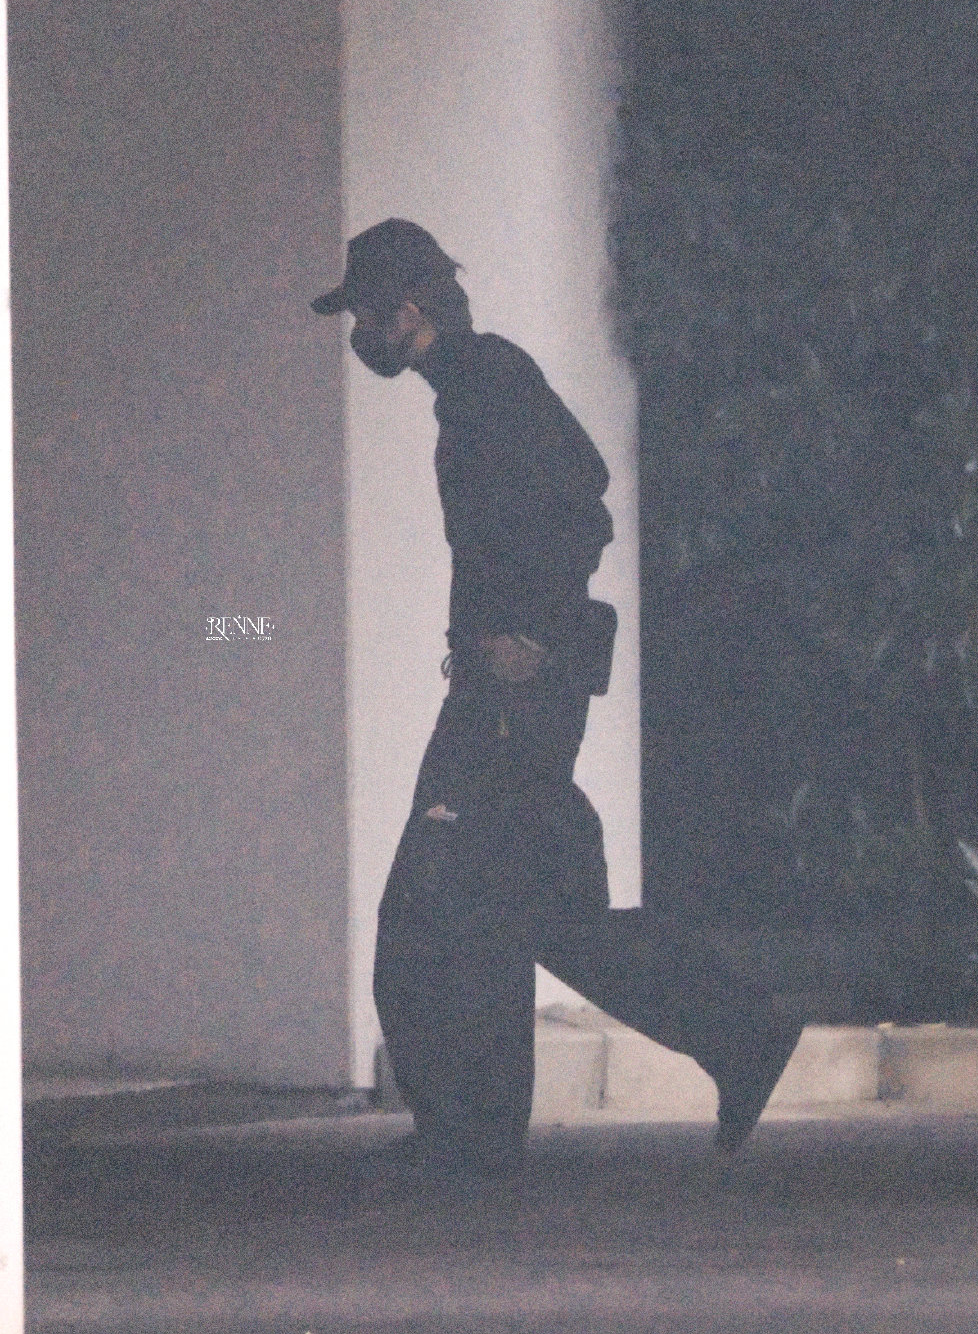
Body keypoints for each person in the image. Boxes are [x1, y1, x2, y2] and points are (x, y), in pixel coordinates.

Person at [312, 218, 800, 1177]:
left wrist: (531, 633)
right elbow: (578, 491)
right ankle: (738, 1032)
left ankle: (470, 1137)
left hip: (512, 698)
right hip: (515, 689)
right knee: (536, 911)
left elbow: (583, 497)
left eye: (366, 314)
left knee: (428, 910)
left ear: (409, 308)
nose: (360, 334)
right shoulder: (475, 386)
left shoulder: (488, 380)